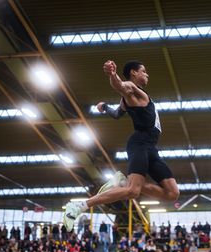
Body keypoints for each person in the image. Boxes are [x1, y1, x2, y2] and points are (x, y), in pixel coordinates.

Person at [63, 60, 180, 229]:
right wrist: (112, 75)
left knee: (172, 193)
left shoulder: (131, 99)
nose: (147, 75)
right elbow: (121, 86)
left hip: (151, 148)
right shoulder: (133, 90)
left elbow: (117, 114)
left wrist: (105, 107)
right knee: (133, 192)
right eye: (144, 71)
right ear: (134, 73)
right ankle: (79, 206)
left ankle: (124, 183)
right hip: (139, 144)